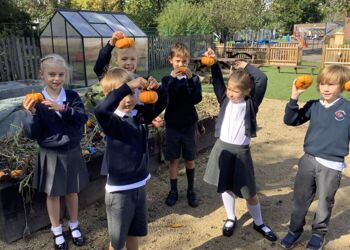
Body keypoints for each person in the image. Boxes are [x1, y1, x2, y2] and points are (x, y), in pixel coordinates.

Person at [203, 48, 277, 241]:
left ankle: (258, 222)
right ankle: (230, 217)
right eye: (229, 89)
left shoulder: (251, 104)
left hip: (241, 152)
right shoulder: (224, 100)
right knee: (226, 186)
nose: (231, 93)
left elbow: (262, 79)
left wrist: (246, 66)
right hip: (222, 149)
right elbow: (218, 81)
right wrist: (214, 61)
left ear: (247, 91)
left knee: (249, 191)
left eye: (236, 90)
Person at [94, 68, 167, 250]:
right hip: (119, 191)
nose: (128, 99)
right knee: (117, 241)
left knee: (134, 233)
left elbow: (161, 103)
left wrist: (157, 89)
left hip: (139, 185)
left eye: (132, 94)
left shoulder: (139, 116)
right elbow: (101, 110)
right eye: (122, 95)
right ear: (110, 96)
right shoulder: (112, 122)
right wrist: (127, 87)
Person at [22, 54, 89, 250]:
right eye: (51, 74)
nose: (56, 78)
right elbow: (31, 134)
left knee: (71, 191)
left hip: (71, 149)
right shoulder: (36, 101)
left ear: (65, 75)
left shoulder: (72, 97)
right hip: (50, 153)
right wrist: (32, 115)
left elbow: (82, 119)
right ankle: (57, 230)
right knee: (53, 194)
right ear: (42, 75)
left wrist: (62, 108)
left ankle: (74, 225)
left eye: (60, 74)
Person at [280, 64, 350, 250]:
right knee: (300, 199)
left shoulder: (348, 108)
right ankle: (294, 230)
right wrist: (294, 96)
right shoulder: (314, 105)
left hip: (332, 164)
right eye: (323, 84)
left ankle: (319, 234)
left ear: (343, 85)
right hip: (308, 159)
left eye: (332, 84)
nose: (326, 88)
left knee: (324, 202)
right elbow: (291, 120)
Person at [161, 42, 202, 207]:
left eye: (184, 61)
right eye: (178, 61)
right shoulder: (166, 80)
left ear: (189, 61)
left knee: (190, 158)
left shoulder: (194, 79)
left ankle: (191, 190)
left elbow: (196, 99)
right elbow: (165, 98)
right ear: (170, 60)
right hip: (172, 125)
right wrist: (172, 78)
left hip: (188, 125)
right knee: (173, 160)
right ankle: (173, 191)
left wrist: (191, 80)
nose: (181, 64)